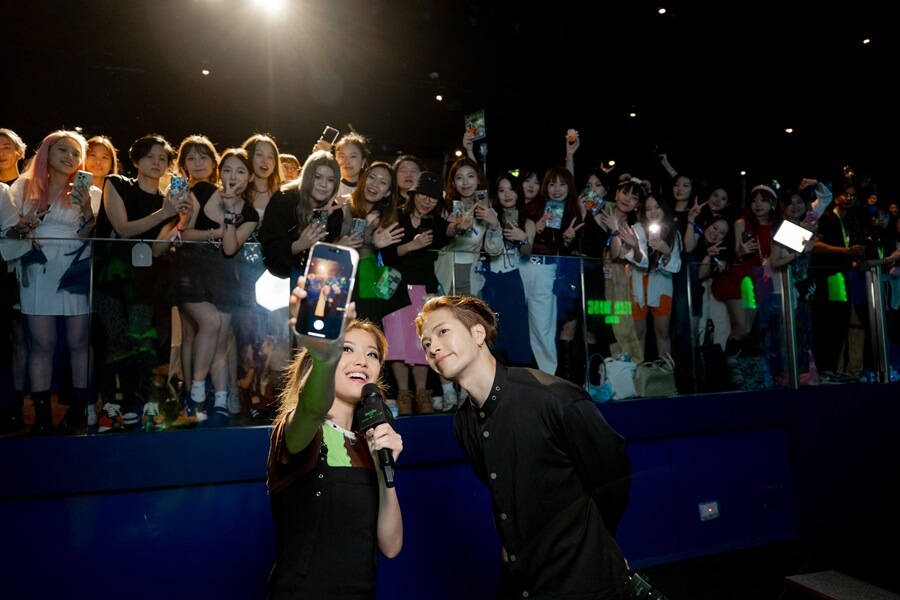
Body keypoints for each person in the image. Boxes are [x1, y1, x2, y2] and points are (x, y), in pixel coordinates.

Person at [415, 295, 632, 599]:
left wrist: (599, 543)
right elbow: (502, 493)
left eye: (442, 332)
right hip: (525, 582)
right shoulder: (463, 423)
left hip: (584, 581)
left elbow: (613, 477)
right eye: (425, 344)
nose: (433, 346)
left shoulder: (552, 396)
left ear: (478, 334)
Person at [267, 278, 403, 598]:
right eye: (347, 349)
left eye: (372, 355)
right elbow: (313, 409)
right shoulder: (301, 427)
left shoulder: (370, 442)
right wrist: (325, 358)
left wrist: (387, 472)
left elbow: (392, 545)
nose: (362, 361)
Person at [3, 130, 100, 435]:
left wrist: (85, 208)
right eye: (62, 150)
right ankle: (42, 414)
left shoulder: (92, 191)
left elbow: (91, 236)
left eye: (75, 152)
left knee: (78, 341)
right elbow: (11, 230)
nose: (69, 157)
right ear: (46, 151)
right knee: (42, 343)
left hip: (76, 265)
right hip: (37, 267)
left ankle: (77, 409)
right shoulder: (24, 186)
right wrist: (27, 227)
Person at [379, 171, 461, 414]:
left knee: (421, 342)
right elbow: (387, 254)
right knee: (395, 343)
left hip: (423, 290)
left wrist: (460, 226)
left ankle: (422, 392)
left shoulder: (435, 223)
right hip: (394, 287)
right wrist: (412, 245)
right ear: (413, 193)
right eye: (423, 195)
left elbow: (450, 230)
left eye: (433, 198)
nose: (427, 201)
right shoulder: (395, 215)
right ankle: (403, 393)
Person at [257, 149, 353, 282]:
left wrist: (335, 249)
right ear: (307, 176)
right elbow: (271, 250)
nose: (323, 184)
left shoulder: (334, 212)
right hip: (273, 278)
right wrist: (299, 245)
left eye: (330, 180)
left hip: (310, 282)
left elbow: (318, 262)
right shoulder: (284, 199)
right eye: (317, 177)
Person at [0, 128, 27, 432]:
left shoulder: (28, 186)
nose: (1, 152)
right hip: (5, 272)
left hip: (27, 269)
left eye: (7, 147)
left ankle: (16, 405)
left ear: (19, 151)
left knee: (21, 339)